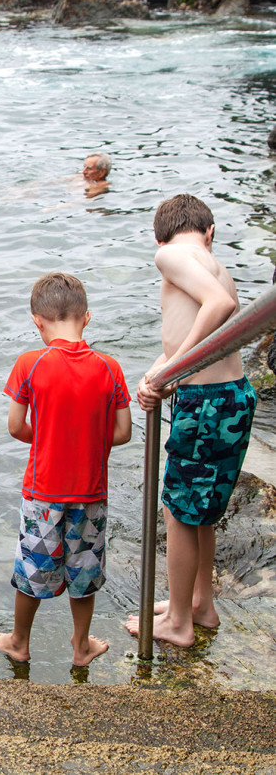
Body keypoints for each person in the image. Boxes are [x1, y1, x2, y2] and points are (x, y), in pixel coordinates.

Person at [125, 194, 257, 647]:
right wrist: (157, 371)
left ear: (159, 236)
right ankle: (201, 603)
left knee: (179, 510)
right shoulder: (211, 260)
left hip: (204, 402)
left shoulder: (170, 252)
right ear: (210, 230)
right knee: (201, 512)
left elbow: (218, 307)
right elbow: (193, 333)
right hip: (231, 396)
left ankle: (178, 621)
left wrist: (170, 371)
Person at [0, 272, 131, 666]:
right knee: (84, 574)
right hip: (91, 494)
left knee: (33, 571)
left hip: (42, 494)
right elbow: (123, 432)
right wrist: (87, 441)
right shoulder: (110, 367)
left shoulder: (30, 364)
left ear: (37, 321)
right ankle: (81, 646)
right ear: (87, 318)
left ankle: (19, 642)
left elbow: (16, 426)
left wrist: (49, 437)